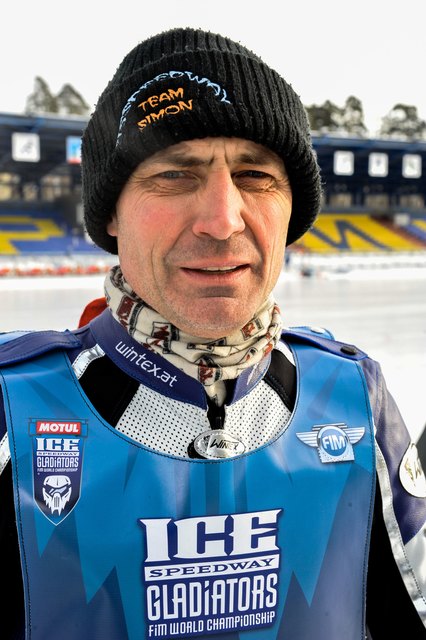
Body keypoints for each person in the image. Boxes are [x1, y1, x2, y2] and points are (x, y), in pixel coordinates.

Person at [0, 27, 425, 640]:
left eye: (255, 176)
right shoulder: (11, 411)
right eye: (175, 175)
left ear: (292, 210)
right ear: (112, 211)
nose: (223, 221)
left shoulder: (357, 398)